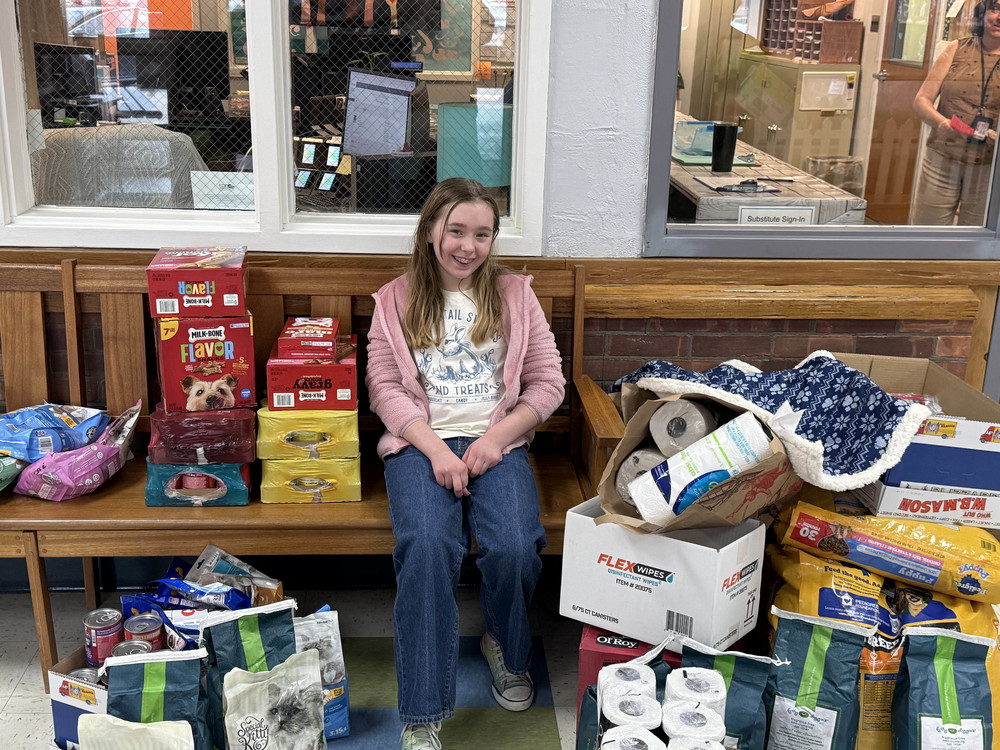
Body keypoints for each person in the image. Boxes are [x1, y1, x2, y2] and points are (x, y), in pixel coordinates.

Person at [365, 177, 565, 750]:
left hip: (496, 444)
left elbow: (547, 383)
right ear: (431, 230)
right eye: (456, 230)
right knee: (428, 545)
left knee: (514, 545)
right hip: (419, 446)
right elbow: (384, 388)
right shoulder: (395, 299)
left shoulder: (515, 296)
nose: (467, 246)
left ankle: (503, 642)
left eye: (482, 234)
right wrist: (433, 449)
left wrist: (495, 440)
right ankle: (422, 711)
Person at [912, 0, 1000, 225]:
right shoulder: (956, 48)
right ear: (983, 13)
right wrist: (941, 124)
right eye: (995, 9)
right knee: (927, 234)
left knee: (976, 239)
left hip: (989, 167)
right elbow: (922, 100)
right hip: (942, 158)